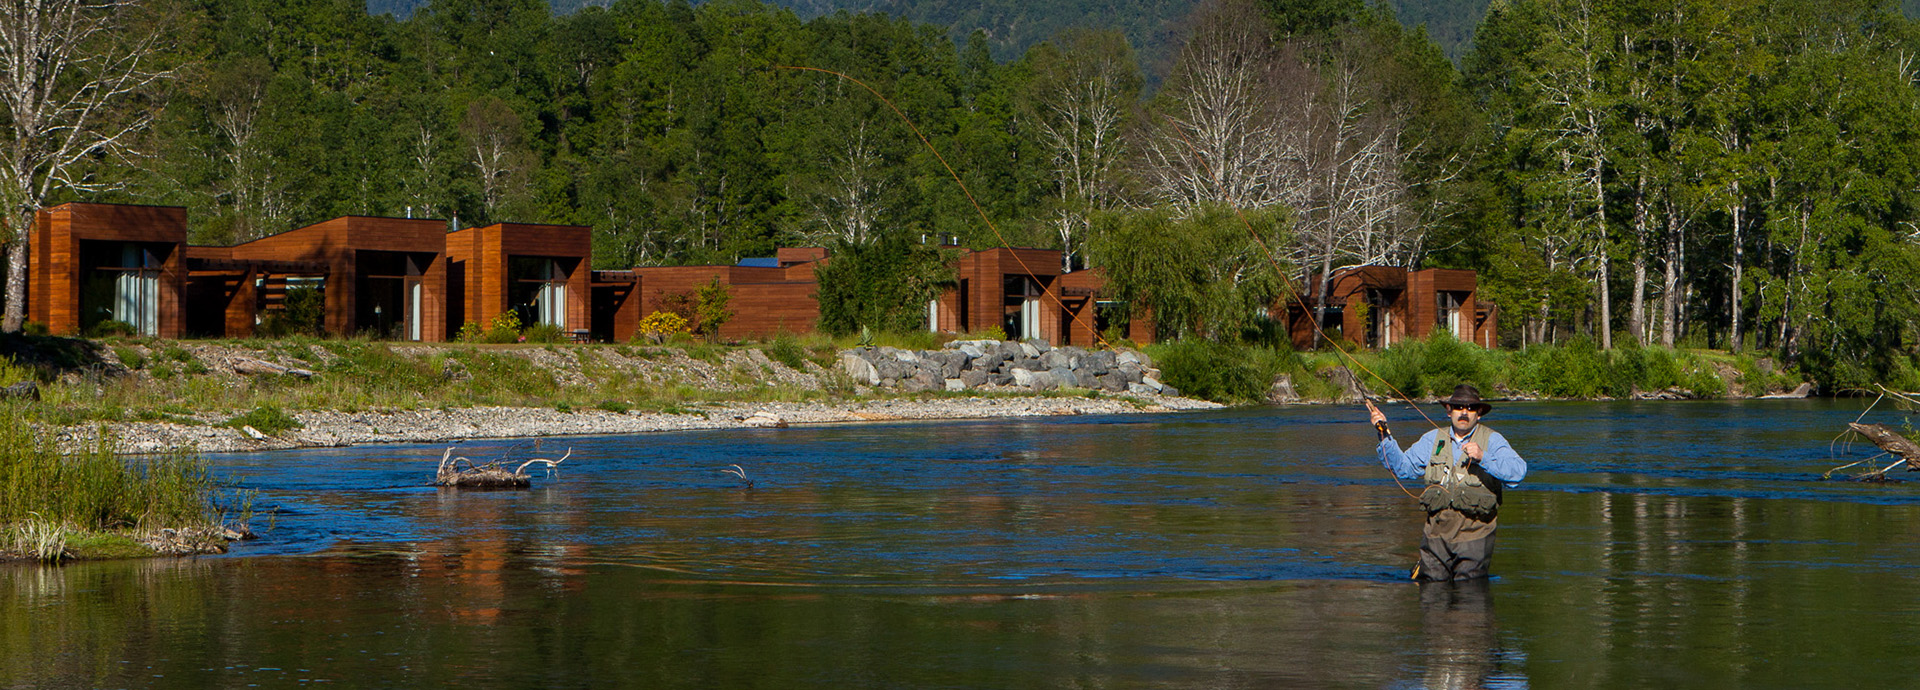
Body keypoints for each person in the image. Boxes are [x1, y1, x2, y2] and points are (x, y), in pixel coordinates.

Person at [1366, 384, 1526, 581]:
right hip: (1435, 539)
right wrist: (1383, 433)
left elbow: (1518, 473)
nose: (1464, 413)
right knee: (1433, 599)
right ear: (1449, 410)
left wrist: (1483, 457)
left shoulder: (1493, 440)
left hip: (1475, 538)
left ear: (1479, 413)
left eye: (1470, 408)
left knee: (1469, 601)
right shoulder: (1432, 439)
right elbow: (1402, 468)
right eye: (1458, 407)